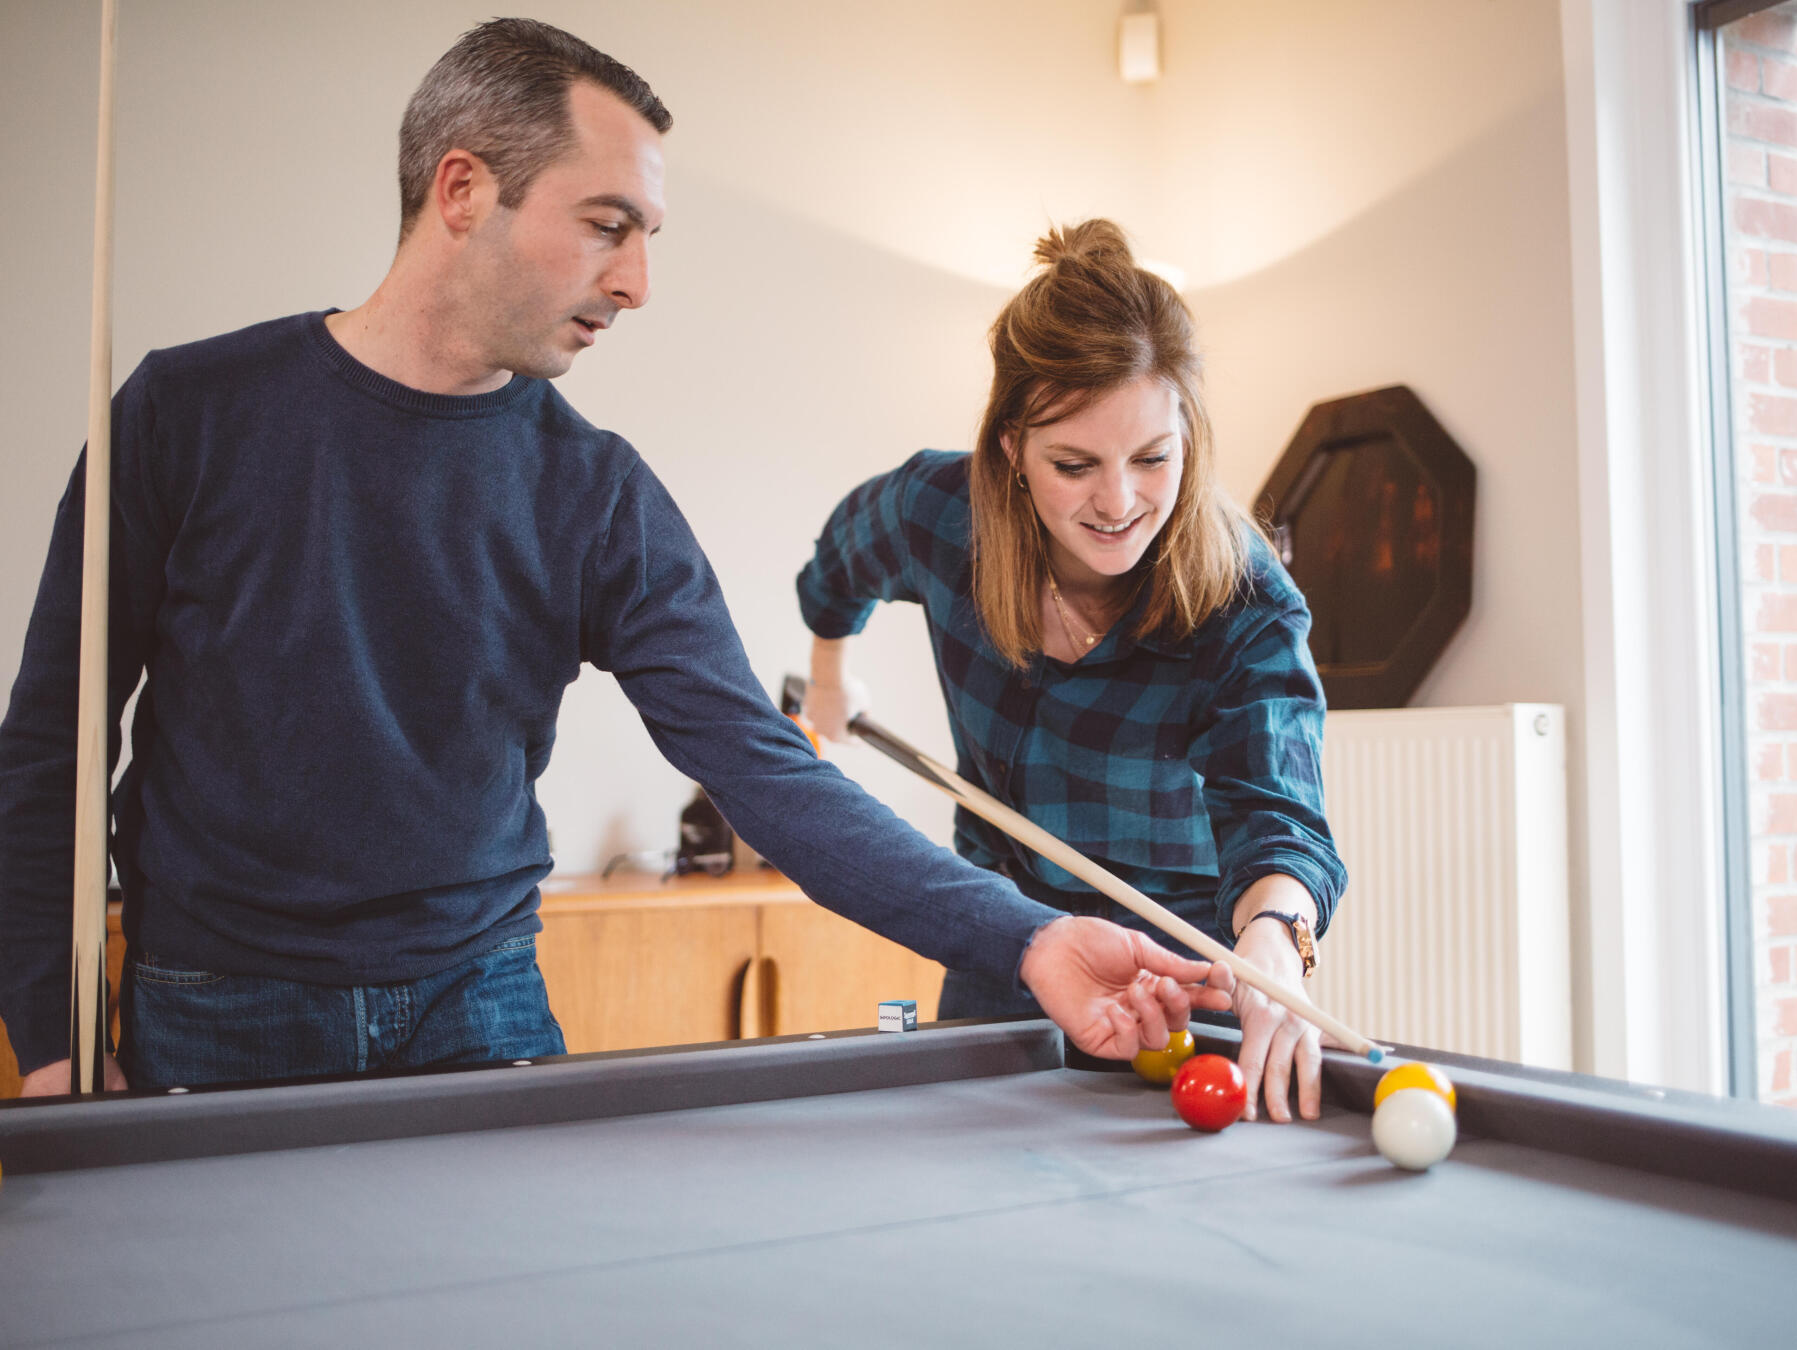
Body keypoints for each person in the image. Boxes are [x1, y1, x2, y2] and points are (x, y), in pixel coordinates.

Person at [0, 21, 1235, 1097]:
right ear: (464, 188)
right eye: (607, 228)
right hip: (213, 1009)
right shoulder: (184, 415)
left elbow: (766, 773)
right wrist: (53, 1043)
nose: (638, 283)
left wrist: (1023, 937)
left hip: (477, 1010)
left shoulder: (595, 493)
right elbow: (50, 747)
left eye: (646, 236)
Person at [798, 220, 1346, 1123]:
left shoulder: (1244, 598)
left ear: (1188, 435)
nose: (1120, 502)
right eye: (1074, 464)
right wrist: (830, 675)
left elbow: (1277, 810)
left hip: (1183, 970)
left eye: (1152, 459)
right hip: (1004, 939)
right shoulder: (938, 511)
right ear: (1011, 447)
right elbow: (836, 569)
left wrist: (1275, 948)